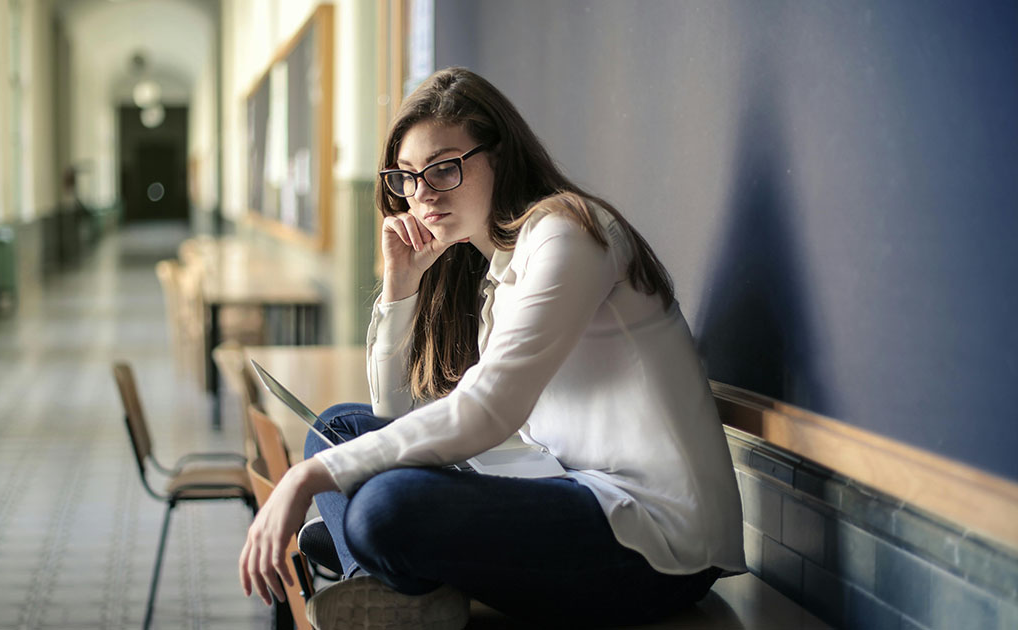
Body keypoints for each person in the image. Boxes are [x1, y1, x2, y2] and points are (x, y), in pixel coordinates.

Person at [239, 67, 746, 629]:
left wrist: (307, 479)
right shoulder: (496, 269)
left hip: (655, 543)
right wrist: (400, 287)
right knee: (337, 430)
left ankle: (379, 568)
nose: (422, 194)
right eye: (406, 176)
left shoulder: (567, 234)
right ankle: (390, 585)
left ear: (500, 157)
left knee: (383, 507)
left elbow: (490, 410)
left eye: (444, 168)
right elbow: (394, 415)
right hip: (564, 489)